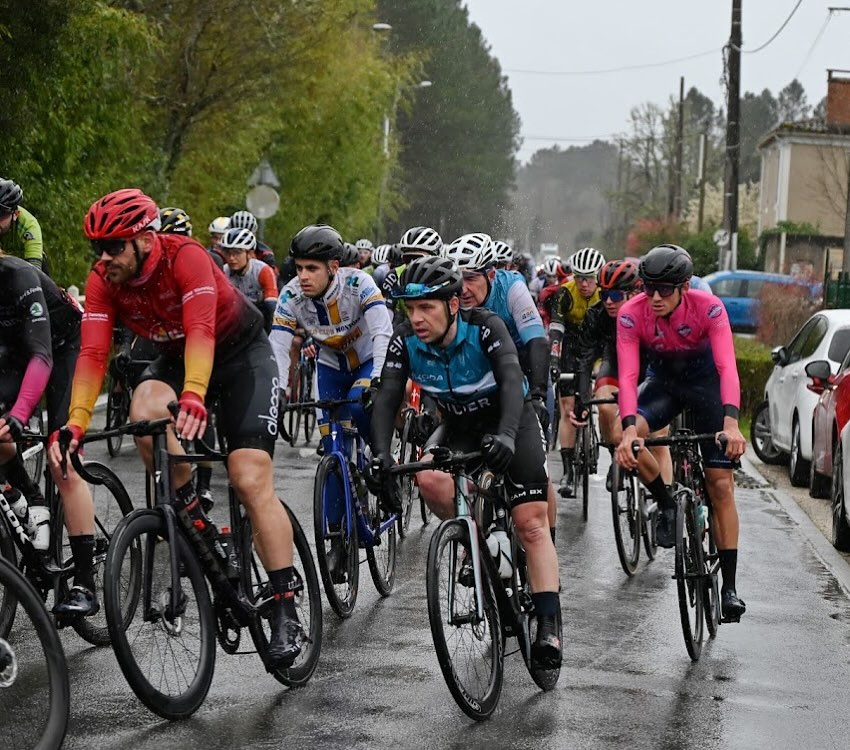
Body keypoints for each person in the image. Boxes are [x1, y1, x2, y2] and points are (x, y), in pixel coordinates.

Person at [50, 188, 305, 665]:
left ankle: (286, 606)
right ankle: (192, 511)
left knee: (248, 477)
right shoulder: (106, 279)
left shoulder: (184, 257)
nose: (103, 259)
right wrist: (76, 424)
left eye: (113, 247)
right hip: (177, 357)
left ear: (146, 239)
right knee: (144, 410)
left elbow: (203, 332)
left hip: (241, 357)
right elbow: (92, 354)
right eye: (97, 249)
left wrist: (192, 394)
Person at [369, 255, 562, 669]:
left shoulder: (485, 327)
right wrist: (381, 455)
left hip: (511, 417)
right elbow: (387, 396)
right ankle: (479, 537)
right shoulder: (405, 340)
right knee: (429, 479)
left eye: (427, 308)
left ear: (453, 305)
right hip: (459, 422)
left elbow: (512, 381)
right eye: (411, 308)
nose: (417, 318)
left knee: (530, 521)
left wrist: (508, 435)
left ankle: (548, 623)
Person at [614, 244, 747, 623]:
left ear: (685, 287)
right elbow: (627, 376)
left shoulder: (708, 307)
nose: (654, 297)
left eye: (665, 290)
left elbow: (727, 367)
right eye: (648, 288)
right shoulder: (630, 313)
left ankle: (730, 588)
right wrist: (627, 432)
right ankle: (667, 501)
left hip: (707, 385)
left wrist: (732, 423)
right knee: (627, 438)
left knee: (720, 484)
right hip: (664, 385)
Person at [445, 232, 560, 540]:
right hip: (482, 381)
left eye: (471, 277)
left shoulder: (512, 288)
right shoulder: (451, 297)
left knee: (537, 468)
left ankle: (546, 539)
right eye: (458, 278)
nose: (464, 288)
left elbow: (537, 340)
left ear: (491, 274)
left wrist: (537, 393)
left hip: (525, 371)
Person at [0, 253, 98, 616]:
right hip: (13, 352)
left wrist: (19, 416)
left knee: (63, 457)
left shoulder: (19, 275)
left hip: (62, 346)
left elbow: (41, 354)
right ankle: (30, 498)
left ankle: (85, 583)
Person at [269, 225, 392, 457]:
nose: (303, 276)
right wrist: (278, 392)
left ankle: (380, 459)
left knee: (358, 404)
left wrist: (377, 378)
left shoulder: (360, 284)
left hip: (366, 361)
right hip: (330, 368)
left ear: (333, 267)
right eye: (299, 268)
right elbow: (279, 346)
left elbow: (382, 332)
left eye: (312, 268)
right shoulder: (289, 296)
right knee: (333, 449)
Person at [549, 246, 605, 497]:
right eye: (579, 277)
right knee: (567, 407)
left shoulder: (606, 294)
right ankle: (569, 471)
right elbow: (557, 332)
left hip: (599, 345)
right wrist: (553, 361)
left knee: (606, 395)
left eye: (589, 278)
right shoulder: (565, 293)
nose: (584, 283)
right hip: (571, 346)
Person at [220, 226, 278, 332]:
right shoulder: (224, 272)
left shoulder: (263, 270)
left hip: (262, 318)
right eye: (228, 253)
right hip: (236, 318)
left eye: (237, 252)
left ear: (249, 254)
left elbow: (272, 308)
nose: (232, 258)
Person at [0, 178, 48, 273]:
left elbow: (35, 272)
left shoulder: (29, 225)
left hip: (25, 267)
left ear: (16, 214)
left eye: (1, 214)